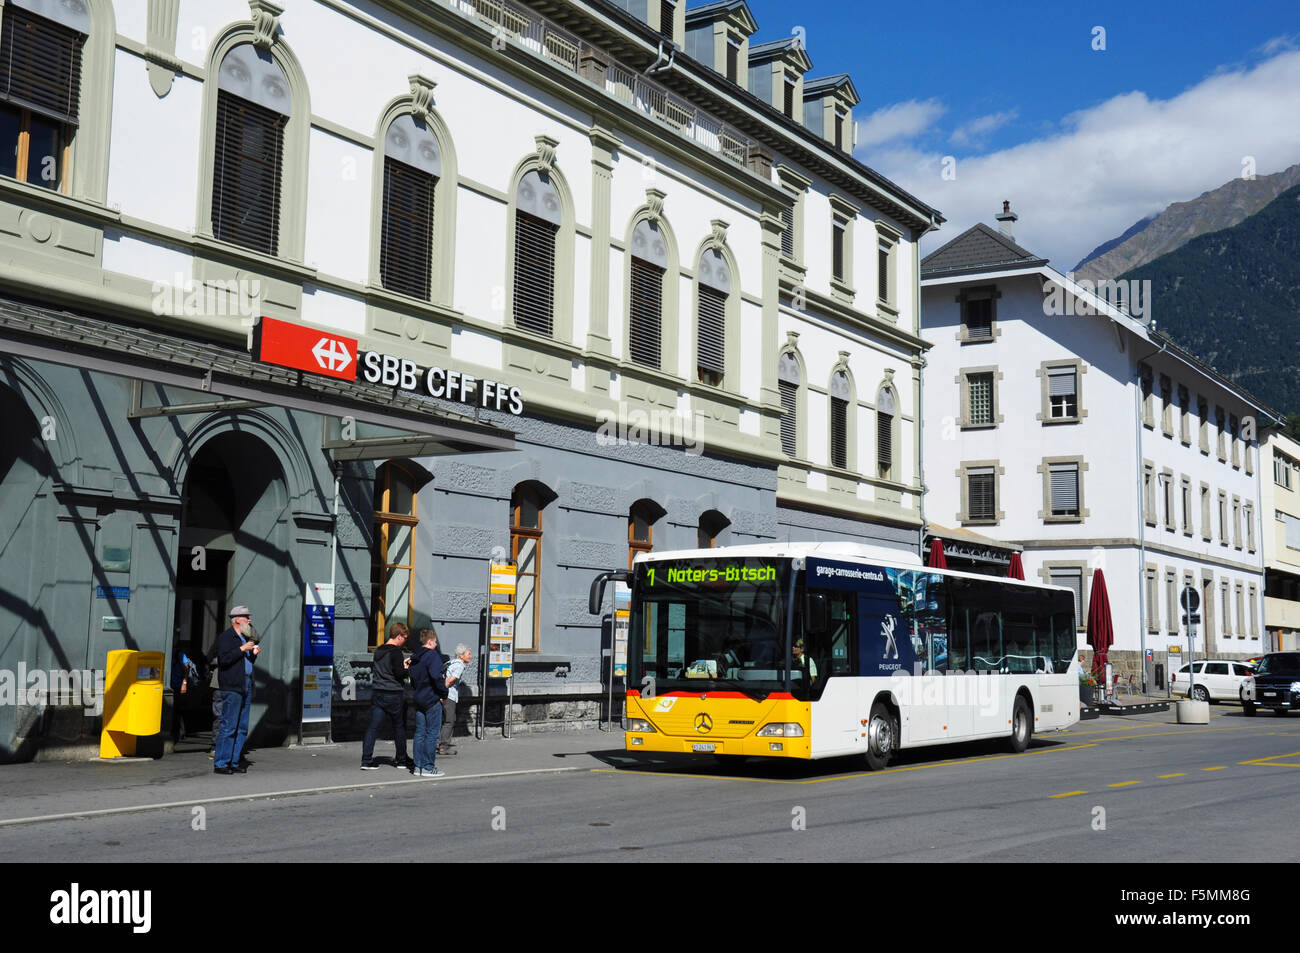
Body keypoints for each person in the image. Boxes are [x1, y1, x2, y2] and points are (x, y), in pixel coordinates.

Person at [213, 606, 260, 775]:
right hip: (232, 686)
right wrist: (242, 649)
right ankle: (221, 762)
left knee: (242, 726)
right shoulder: (227, 637)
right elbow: (224, 660)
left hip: (245, 684)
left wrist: (253, 653)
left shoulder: (244, 638)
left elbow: (246, 662)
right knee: (229, 726)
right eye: (247, 617)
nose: (249, 620)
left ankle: (234, 761)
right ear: (237, 619)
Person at [361, 622, 411, 770]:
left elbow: (386, 669)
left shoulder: (378, 650)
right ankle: (401, 760)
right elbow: (399, 673)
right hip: (393, 693)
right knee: (399, 727)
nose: (405, 641)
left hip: (377, 692)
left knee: (373, 727)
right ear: (398, 636)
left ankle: (366, 760)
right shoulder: (395, 652)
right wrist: (406, 668)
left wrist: (399, 666)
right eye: (404, 638)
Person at [407, 629, 446, 778]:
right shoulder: (432, 656)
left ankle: (418, 766)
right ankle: (429, 767)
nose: (436, 644)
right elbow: (437, 677)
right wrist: (443, 694)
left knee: (419, 733)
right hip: (431, 699)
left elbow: (412, 677)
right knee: (432, 734)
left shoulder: (415, 657)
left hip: (418, 698)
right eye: (435, 642)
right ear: (430, 641)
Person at [439, 644, 472, 755]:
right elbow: (449, 681)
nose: (470, 656)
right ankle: (444, 746)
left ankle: (439, 743)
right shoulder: (460, 665)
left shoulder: (451, 662)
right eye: (468, 654)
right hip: (449, 695)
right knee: (450, 720)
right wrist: (442, 694)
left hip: (443, 694)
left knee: (443, 720)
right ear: (461, 655)